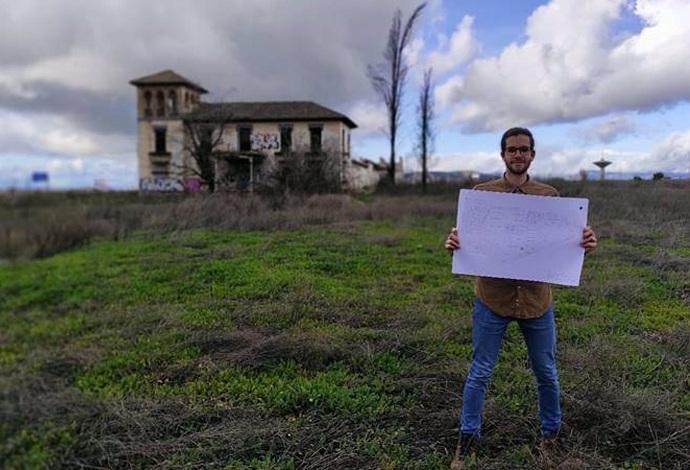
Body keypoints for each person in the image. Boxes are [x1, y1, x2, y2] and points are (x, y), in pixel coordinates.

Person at [445, 127, 597, 469]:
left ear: (532, 155)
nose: (518, 155)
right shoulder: (482, 195)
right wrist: (454, 242)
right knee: (480, 371)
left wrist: (583, 240)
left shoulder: (550, 196)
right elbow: (464, 239)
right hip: (492, 299)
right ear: (502, 155)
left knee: (546, 372)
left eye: (524, 150)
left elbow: (564, 243)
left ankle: (550, 438)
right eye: (512, 150)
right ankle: (467, 440)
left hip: (536, 301)